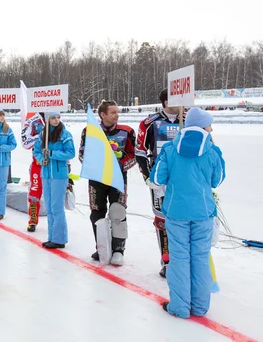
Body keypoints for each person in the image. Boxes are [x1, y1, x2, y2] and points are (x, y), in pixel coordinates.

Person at [149, 107, 225, 319]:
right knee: (200, 258)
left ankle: (180, 307)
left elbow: (157, 179)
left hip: (176, 212)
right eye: (209, 124)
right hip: (203, 212)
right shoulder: (212, 150)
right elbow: (216, 180)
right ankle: (200, 307)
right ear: (202, 126)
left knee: (179, 258)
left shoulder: (171, 149)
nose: (211, 128)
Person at [79, 100, 136, 266]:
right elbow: (82, 154)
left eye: (117, 112)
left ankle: (118, 249)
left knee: (118, 212)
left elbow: (134, 155)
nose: (117, 115)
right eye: (113, 113)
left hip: (118, 178)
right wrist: (95, 163)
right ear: (103, 115)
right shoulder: (89, 131)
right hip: (97, 178)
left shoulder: (127, 131)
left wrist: (119, 164)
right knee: (97, 212)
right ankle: (101, 246)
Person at [136, 89, 185, 277]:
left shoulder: (189, 121)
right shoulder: (150, 122)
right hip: (160, 179)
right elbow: (140, 152)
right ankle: (167, 261)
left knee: (184, 219)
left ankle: (184, 261)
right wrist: (148, 177)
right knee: (162, 219)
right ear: (166, 102)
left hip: (184, 180)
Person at [33, 113, 75, 249]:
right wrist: (41, 159)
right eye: (53, 118)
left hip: (59, 175)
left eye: (58, 117)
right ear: (47, 120)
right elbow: (36, 151)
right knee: (50, 207)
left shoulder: (65, 134)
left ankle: (59, 238)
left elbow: (70, 153)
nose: (56, 120)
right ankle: (52, 236)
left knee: (57, 207)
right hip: (46, 174)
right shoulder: (42, 135)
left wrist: (52, 154)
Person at [21, 112, 45, 232]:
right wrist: (40, 137)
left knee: (54, 196)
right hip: (38, 165)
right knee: (34, 193)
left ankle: (55, 222)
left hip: (54, 166)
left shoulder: (56, 119)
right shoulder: (33, 120)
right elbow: (25, 143)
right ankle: (32, 221)